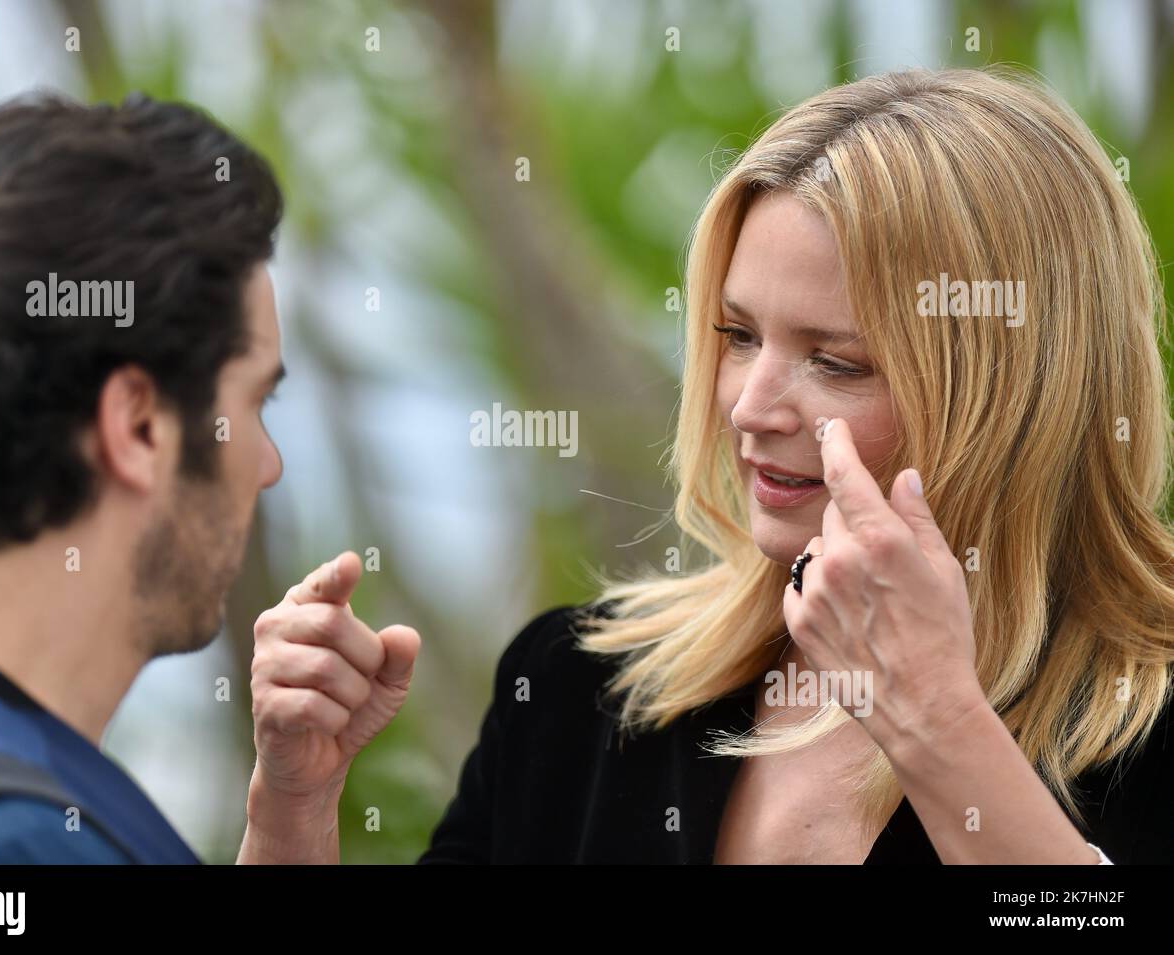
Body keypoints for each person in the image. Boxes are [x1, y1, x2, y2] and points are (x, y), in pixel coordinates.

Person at [246, 66, 1174, 864]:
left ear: (1018, 394)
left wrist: (941, 724)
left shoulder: (1147, 724)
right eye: (736, 335)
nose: (749, 405)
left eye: (837, 361)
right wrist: (293, 809)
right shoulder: (582, 689)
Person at [0, 93, 420, 863]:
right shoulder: (10, 844)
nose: (268, 465)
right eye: (255, 400)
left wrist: (291, 816)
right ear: (137, 425)